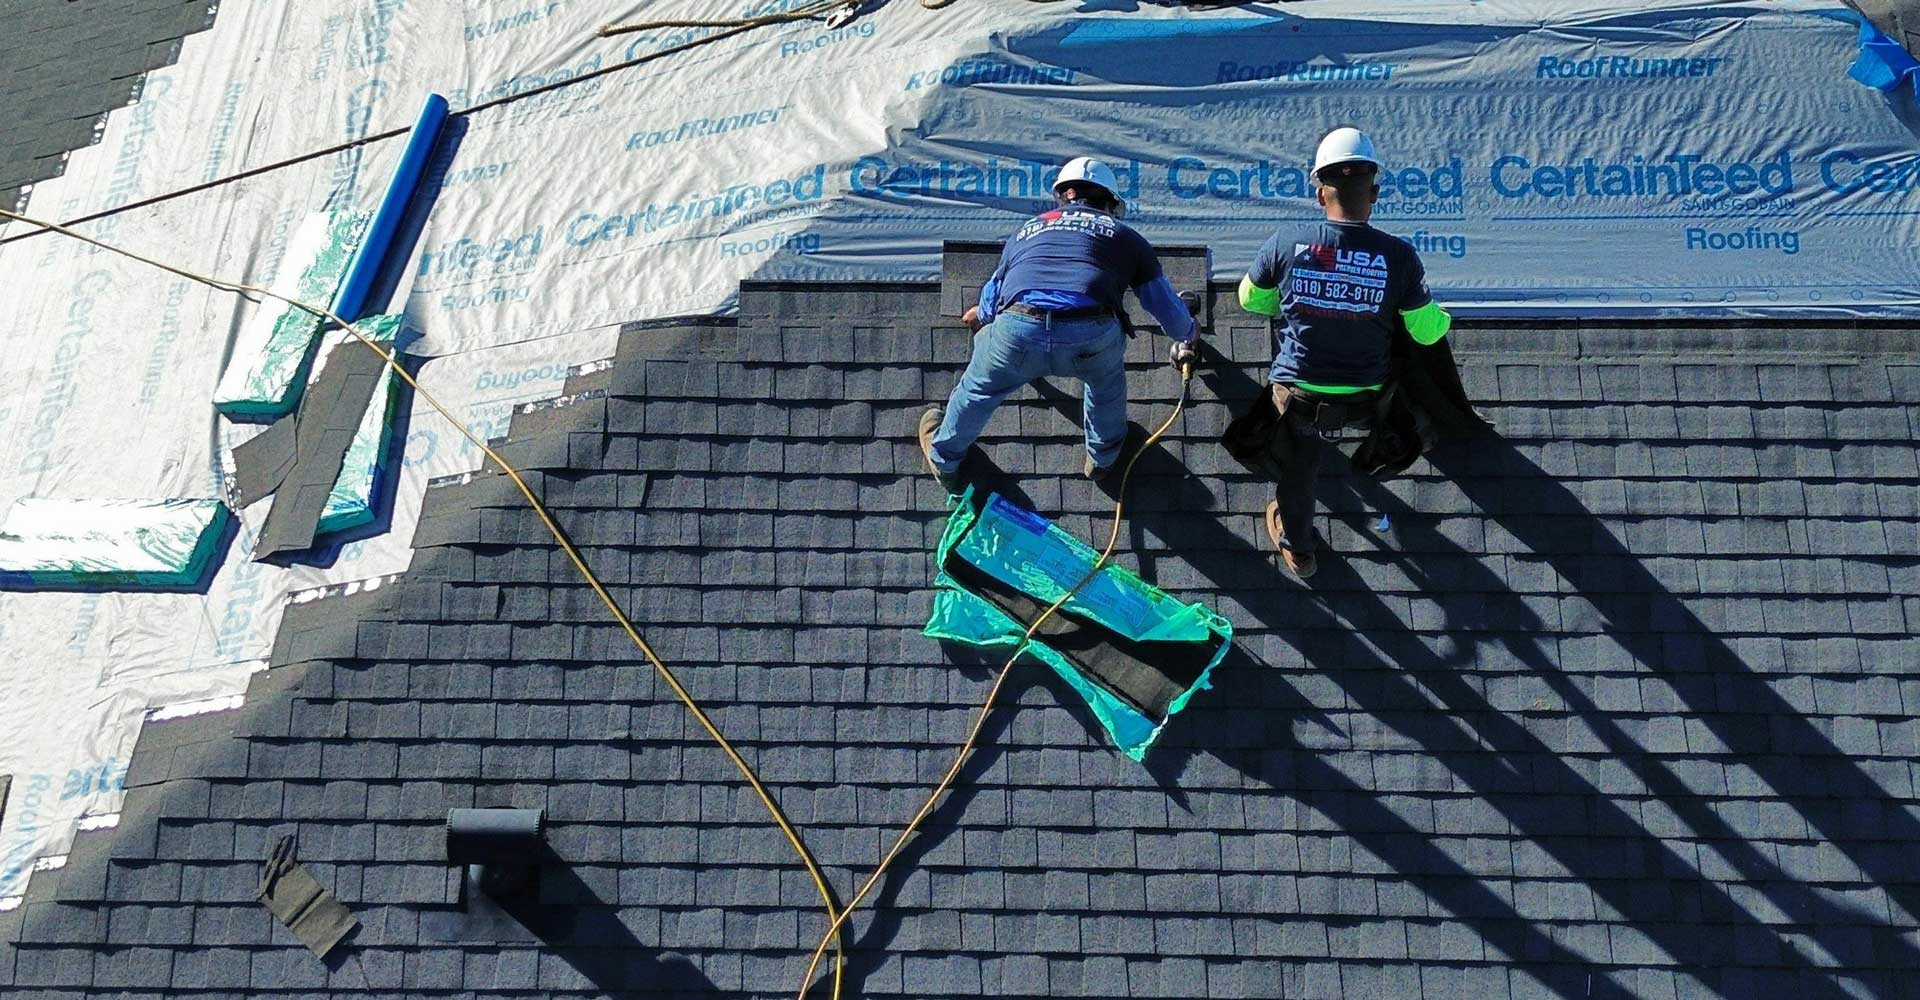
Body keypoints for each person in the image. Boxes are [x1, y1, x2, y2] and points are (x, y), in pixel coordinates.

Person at [1237, 127, 1453, 579]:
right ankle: (1391, 451)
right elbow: (1428, 334)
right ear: (1374, 193)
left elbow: (1250, 300)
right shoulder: (1399, 256)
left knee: (1299, 468)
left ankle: (1300, 549)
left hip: (1298, 397)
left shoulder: (1285, 242)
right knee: (1418, 386)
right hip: (1365, 399)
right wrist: (1439, 314)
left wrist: (1299, 297)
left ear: (1320, 194)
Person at [920, 156, 1199, 494]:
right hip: (1089, 335)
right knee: (1105, 384)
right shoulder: (1126, 237)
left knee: (979, 388)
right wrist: (1189, 334)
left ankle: (945, 458)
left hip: (1019, 330)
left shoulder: (1026, 231)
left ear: (1062, 197)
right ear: (1109, 202)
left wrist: (980, 315)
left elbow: (992, 304)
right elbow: (1165, 307)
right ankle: (1103, 458)